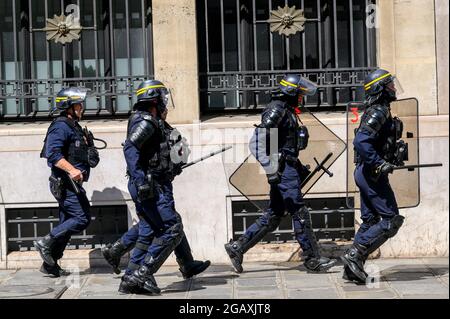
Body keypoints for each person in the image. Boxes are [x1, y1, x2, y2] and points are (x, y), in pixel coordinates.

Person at [225, 75, 337, 274]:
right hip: (282, 169)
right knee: (299, 211)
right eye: (300, 94)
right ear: (291, 93)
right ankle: (312, 258)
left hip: (287, 167)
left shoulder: (286, 111)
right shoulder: (277, 110)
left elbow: (283, 144)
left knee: (275, 214)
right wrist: (271, 169)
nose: (302, 98)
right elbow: (256, 143)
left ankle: (238, 247)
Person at [118, 80, 208, 294]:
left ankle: (130, 278)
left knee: (149, 231)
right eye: (162, 99)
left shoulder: (150, 120)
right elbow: (130, 148)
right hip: (151, 185)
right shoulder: (146, 122)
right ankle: (143, 274)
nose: (165, 103)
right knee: (171, 228)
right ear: (154, 100)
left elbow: (161, 150)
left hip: (153, 182)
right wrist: (141, 181)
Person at [341, 69, 405, 284]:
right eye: (390, 85)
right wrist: (379, 163)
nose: (394, 88)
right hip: (371, 173)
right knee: (390, 220)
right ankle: (354, 255)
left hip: (366, 172)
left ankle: (352, 267)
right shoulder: (378, 111)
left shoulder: (378, 110)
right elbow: (361, 142)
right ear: (380, 89)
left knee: (369, 221)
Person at [35, 87, 99, 277]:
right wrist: (72, 170)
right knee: (81, 218)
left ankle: (50, 264)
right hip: (65, 183)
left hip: (74, 184)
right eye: (79, 104)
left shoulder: (74, 126)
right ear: (68, 106)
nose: (82, 108)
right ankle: (45, 242)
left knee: (66, 222)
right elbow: (52, 154)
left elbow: (85, 155)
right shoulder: (60, 126)